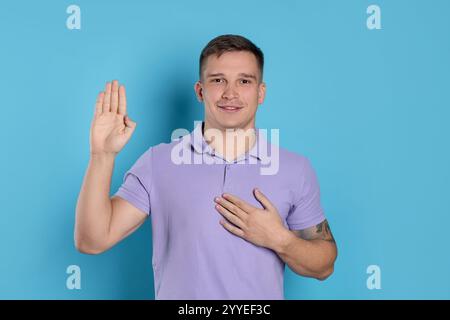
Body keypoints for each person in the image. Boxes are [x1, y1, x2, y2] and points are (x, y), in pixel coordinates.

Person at [75, 34, 337, 300]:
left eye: (244, 81)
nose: (230, 93)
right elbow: (92, 240)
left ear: (261, 93)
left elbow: (325, 265)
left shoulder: (294, 169)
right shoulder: (158, 162)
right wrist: (102, 155)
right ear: (200, 91)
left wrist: (279, 239)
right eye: (218, 80)